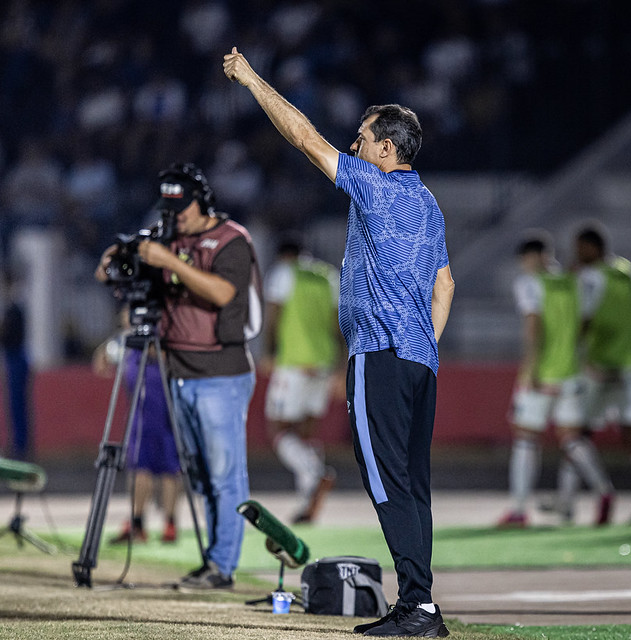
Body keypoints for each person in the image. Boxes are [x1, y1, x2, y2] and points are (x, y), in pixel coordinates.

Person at [224, 48, 455, 638]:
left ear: (385, 149)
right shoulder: (428, 203)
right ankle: (422, 604)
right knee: (414, 485)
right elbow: (445, 283)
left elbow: (303, 137)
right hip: (418, 360)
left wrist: (252, 80)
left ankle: (419, 608)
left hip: (378, 355)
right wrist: (425, 346)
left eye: (362, 137)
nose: (354, 145)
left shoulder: (376, 187)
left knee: (385, 481)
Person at [95, 163, 261, 589]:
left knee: (226, 475)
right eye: (169, 207)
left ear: (202, 202)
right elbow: (111, 272)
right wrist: (121, 258)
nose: (176, 215)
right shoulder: (167, 234)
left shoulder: (232, 240)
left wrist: (169, 260)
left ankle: (223, 566)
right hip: (177, 374)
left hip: (221, 374)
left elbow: (223, 293)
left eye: (182, 207)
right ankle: (212, 560)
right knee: (202, 476)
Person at [497, 234, 613, 528]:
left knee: (525, 439)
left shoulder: (530, 283)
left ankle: (520, 510)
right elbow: (585, 326)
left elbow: (533, 326)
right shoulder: (578, 282)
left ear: (531, 257)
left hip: (543, 373)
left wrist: (530, 370)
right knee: (572, 440)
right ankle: (604, 491)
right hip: (572, 373)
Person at [557, 224, 631, 524]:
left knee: (576, 434)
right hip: (630, 366)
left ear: (592, 247)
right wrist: (629, 347)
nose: (576, 253)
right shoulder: (628, 272)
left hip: (598, 368)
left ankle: (569, 504)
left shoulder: (588, 277)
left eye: (580, 247)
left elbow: (583, 321)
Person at [261, 238, 341, 524]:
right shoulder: (327, 275)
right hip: (323, 362)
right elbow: (338, 322)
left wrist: (268, 352)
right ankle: (309, 502)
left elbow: (273, 316)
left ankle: (316, 474)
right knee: (306, 432)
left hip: (294, 362)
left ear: (284, 254)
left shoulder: (284, 273)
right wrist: (340, 367)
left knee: (278, 429)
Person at [92, 315, 181, 545]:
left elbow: (165, 355)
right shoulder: (128, 340)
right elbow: (101, 361)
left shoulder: (160, 331)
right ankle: (147, 522)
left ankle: (158, 522)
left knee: (160, 466)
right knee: (147, 465)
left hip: (159, 409)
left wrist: (145, 339)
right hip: (143, 411)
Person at [0, 270, 32, 461]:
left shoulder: (14, 309)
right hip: (15, 357)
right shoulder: (14, 308)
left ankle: (20, 446)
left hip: (15, 357)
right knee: (16, 405)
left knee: (17, 404)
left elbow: (6, 335)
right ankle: (19, 444)